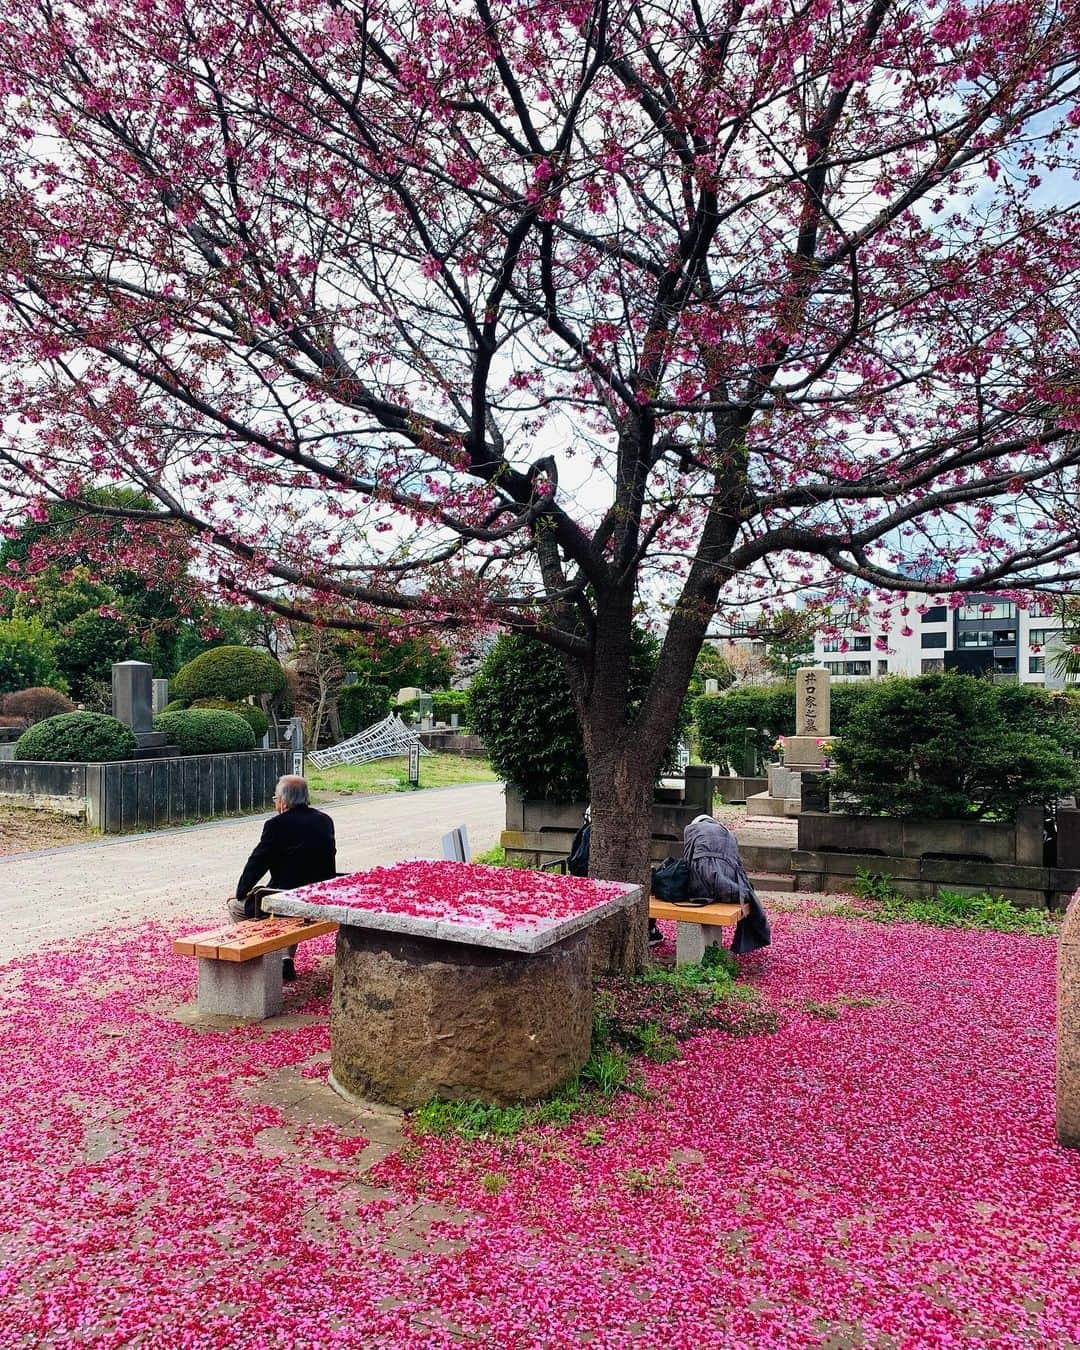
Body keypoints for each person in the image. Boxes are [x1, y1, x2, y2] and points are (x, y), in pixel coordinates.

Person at [230, 775, 337, 980]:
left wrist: (240, 892)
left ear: (284, 801)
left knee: (237, 906)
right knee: (289, 901)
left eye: (276, 798)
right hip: (320, 896)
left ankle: (265, 959)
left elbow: (257, 863)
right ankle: (284, 958)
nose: (275, 802)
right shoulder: (324, 820)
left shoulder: (276, 825)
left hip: (288, 897)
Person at [681, 813, 771, 955]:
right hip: (729, 889)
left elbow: (687, 861)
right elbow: (737, 866)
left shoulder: (691, 830)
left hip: (699, 890)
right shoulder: (729, 835)